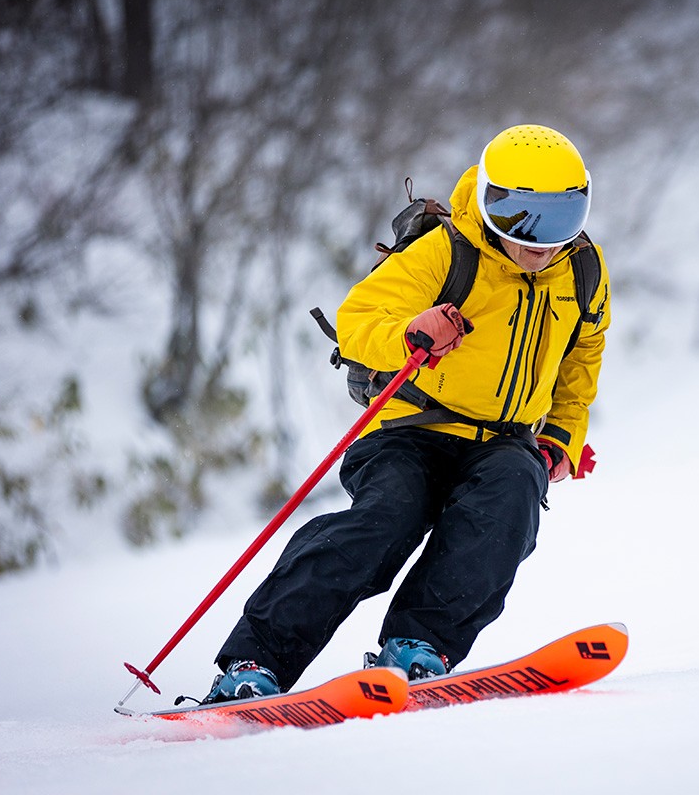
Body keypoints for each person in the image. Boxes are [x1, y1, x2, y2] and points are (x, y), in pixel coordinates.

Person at [202, 124, 610, 701]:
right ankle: (254, 662)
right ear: (492, 201)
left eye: (561, 218)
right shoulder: (447, 251)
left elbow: (581, 360)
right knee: (385, 518)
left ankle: (419, 646)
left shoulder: (584, 272)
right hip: (411, 429)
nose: (540, 240)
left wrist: (562, 438)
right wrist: (411, 332)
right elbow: (360, 318)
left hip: (503, 440)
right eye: (522, 218)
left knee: (511, 499)